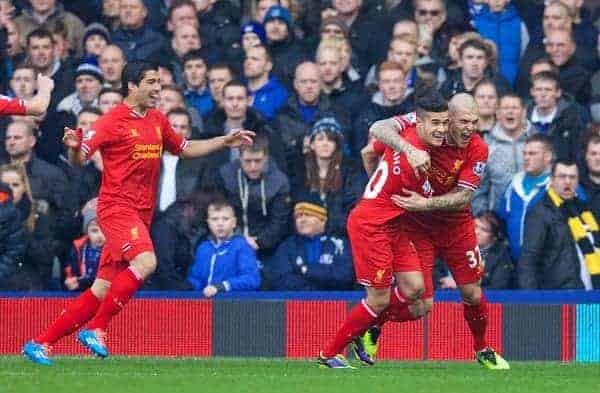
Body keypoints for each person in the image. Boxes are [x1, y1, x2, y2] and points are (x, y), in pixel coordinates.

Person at [22, 60, 254, 366]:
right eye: (151, 82)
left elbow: (184, 148)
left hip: (140, 213)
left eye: (159, 83)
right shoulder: (111, 121)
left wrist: (224, 141)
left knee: (102, 289)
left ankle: (40, 343)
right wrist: (75, 148)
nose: (158, 89)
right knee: (146, 262)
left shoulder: (157, 119)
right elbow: (80, 158)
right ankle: (97, 329)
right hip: (117, 208)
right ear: (132, 85)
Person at [357, 93, 509, 370]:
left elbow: (464, 196)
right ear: (448, 120)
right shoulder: (422, 130)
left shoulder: (477, 147)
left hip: (456, 225)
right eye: (463, 121)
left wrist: (426, 203)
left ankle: (482, 348)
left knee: (473, 293)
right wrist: (392, 175)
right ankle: (372, 326)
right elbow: (372, 143)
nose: (470, 128)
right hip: (417, 226)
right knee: (421, 306)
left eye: (474, 122)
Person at [317, 93, 449, 368]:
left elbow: (368, 152)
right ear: (421, 123)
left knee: (415, 289)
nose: (441, 130)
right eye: (435, 123)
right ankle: (329, 354)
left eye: (445, 123)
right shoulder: (418, 166)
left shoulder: (403, 133)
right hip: (371, 226)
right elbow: (427, 206)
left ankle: (367, 326)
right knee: (378, 299)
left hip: (391, 222)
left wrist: (377, 186)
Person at [519, 160, 600, 290]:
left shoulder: (584, 209)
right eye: (562, 176)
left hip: (590, 294)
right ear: (551, 180)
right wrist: (531, 301)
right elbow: (528, 261)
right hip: (559, 296)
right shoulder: (540, 213)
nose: (568, 181)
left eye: (572, 177)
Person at [268, 196, 354, 290]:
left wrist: (307, 270)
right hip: (297, 302)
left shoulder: (340, 244)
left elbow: (345, 276)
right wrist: (314, 287)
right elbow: (280, 280)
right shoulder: (287, 246)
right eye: (298, 216)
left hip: (337, 302)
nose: (302, 220)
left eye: (308, 215)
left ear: (322, 220)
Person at [187, 199, 261, 296]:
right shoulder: (203, 248)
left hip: (235, 304)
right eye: (214, 219)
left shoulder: (242, 246)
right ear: (208, 223)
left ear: (234, 222)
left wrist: (221, 286)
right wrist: (188, 286)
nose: (220, 224)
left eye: (225, 219)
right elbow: (195, 279)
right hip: (205, 305)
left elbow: (252, 279)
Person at [63, 201, 105, 292]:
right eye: (95, 231)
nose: (100, 235)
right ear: (87, 232)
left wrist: (81, 282)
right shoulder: (79, 248)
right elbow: (71, 272)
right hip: (83, 293)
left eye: (104, 230)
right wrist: (71, 281)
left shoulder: (114, 250)